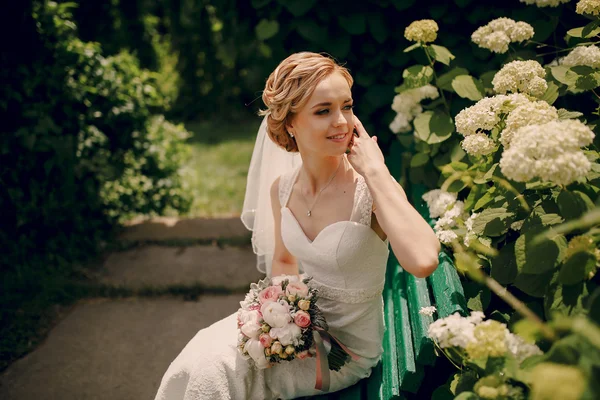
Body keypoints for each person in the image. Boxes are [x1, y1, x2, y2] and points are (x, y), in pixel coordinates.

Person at [154, 52, 440, 400]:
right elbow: (285, 264)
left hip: (343, 355)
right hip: (296, 338)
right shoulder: (283, 189)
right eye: (323, 111)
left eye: (347, 107)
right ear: (290, 123)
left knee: (221, 367)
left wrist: (376, 170)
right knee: (203, 350)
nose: (342, 122)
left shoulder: (371, 188)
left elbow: (424, 260)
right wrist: (278, 322)